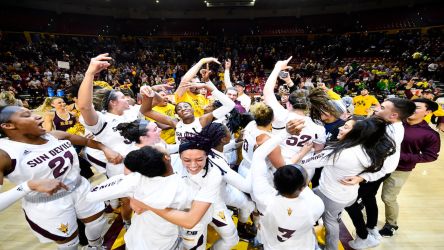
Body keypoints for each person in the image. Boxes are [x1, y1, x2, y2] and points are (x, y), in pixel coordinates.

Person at [0, 105, 122, 250]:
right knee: (70, 243)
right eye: (26, 115)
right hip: (49, 202)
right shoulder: (5, 153)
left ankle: (95, 247)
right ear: (8, 125)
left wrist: (105, 148)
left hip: (79, 187)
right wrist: (28, 186)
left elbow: (86, 141)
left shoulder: (53, 136)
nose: (38, 116)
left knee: (97, 223)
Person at [298, 117, 396, 250]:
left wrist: (303, 151)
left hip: (332, 195)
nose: (339, 128)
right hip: (349, 193)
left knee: (330, 222)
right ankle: (363, 236)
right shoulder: (370, 149)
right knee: (341, 211)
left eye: (345, 127)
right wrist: (362, 177)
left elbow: (306, 162)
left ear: (356, 133)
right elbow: (383, 170)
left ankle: (330, 248)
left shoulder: (339, 153)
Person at [77, 53, 140, 228]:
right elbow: (84, 106)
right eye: (121, 97)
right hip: (120, 166)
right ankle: (127, 222)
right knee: (129, 201)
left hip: (142, 161)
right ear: (112, 102)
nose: (126, 98)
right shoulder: (101, 121)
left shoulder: (131, 111)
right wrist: (90, 73)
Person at [344, 98, 416, 249]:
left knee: (350, 202)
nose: (377, 109)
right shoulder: (388, 124)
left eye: (382, 107)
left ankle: (364, 235)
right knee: (368, 198)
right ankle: (371, 229)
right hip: (373, 172)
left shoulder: (391, 134)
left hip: (375, 173)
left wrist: (362, 177)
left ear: (393, 115)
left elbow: (387, 166)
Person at [85, 146, 190, 250]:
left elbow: (91, 196)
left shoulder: (134, 180)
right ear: (166, 157)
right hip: (164, 242)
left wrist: (133, 195)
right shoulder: (181, 188)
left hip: (135, 239)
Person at [251, 133, 324, 250]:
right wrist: (301, 153)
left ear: (275, 184)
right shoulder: (316, 204)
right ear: (303, 186)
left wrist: (284, 133)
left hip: (272, 244)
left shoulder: (264, 198)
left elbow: (258, 157)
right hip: (301, 245)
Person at [379, 98, 440, 237]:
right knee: (367, 192)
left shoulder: (430, 134)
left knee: (388, 197)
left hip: (401, 169)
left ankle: (391, 224)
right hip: (379, 164)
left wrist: (400, 156)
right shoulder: (395, 122)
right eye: (411, 106)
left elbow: (431, 156)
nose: (413, 109)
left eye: (417, 107)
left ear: (428, 112)